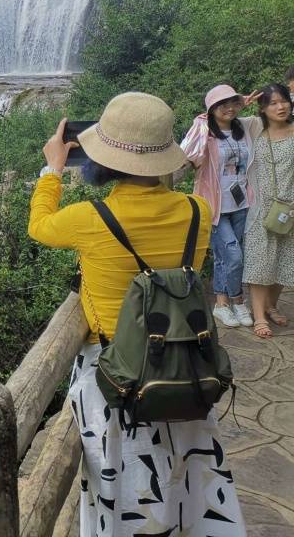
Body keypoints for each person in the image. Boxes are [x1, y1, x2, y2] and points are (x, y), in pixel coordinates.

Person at [28, 94, 244, 536]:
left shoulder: (89, 218)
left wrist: (53, 168)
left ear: (101, 157)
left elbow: (39, 226)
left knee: (124, 485)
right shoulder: (195, 212)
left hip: (117, 372)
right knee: (184, 475)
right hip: (183, 365)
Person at [180, 85, 261, 328]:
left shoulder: (243, 127)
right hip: (214, 205)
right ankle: (236, 300)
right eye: (222, 104)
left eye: (233, 102)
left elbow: (263, 121)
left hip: (241, 202)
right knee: (234, 256)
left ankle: (223, 304)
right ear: (211, 109)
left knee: (226, 257)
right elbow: (187, 152)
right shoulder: (205, 131)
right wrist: (206, 116)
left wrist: (241, 106)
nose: (229, 108)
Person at [242, 83, 294, 338]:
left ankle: (271, 306)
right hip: (261, 206)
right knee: (259, 261)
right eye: (272, 103)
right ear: (262, 108)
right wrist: (240, 103)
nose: (280, 106)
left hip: (291, 207)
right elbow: (209, 122)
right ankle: (259, 316)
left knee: (285, 261)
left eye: (283, 100)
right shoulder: (253, 127)